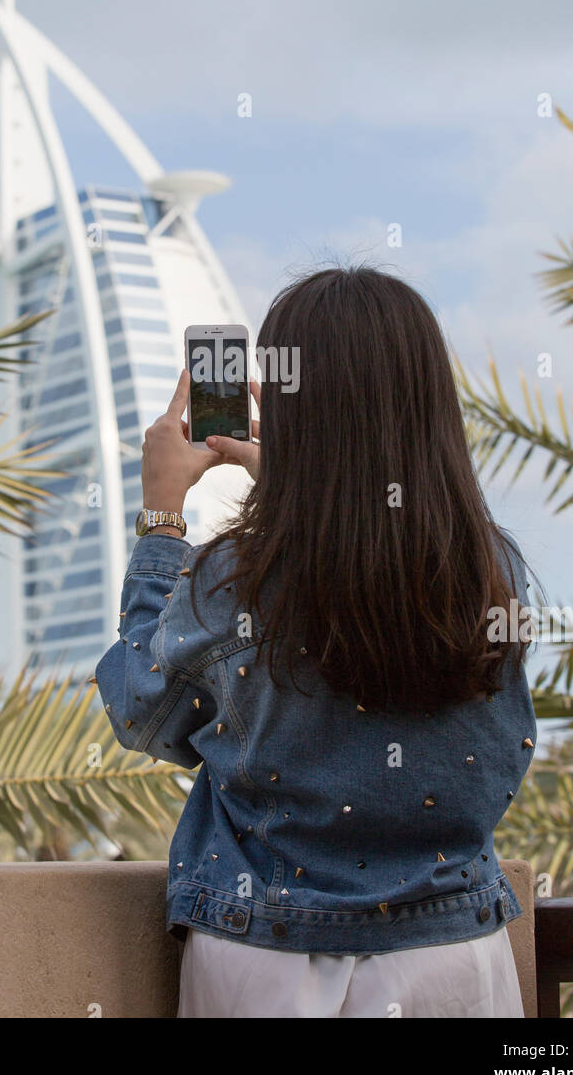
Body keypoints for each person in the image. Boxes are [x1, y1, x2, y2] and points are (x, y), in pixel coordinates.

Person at [95, 266, 537, 1019]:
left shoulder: (237, 575)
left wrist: (163, 516)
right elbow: (493, 749)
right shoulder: (487, 567)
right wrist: (307, 497)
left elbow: (143, 709)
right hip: (451, 957)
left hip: (264, 957)